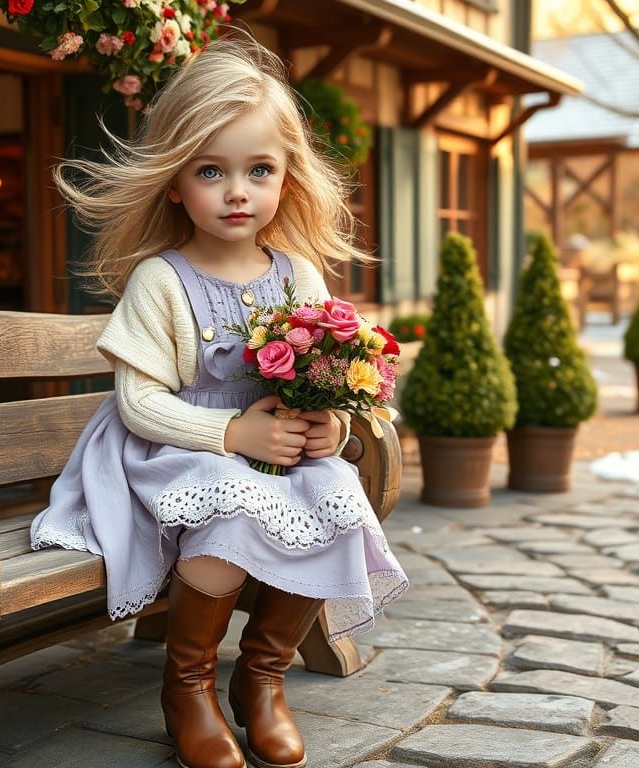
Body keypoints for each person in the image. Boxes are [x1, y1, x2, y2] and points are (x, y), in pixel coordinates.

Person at [30, 34, 408, 768]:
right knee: (230, 503)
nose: (238, 190)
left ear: (286, 179)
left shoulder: (297, 273)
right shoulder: (162, 281)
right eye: (212, 171)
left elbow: (321, 374)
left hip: (268, 448)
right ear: (175, 183)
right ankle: (189, 685)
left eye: (258, 169)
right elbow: (138, 402)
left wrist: (328, 423)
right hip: (175, 450)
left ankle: (261, 678)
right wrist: (231, 435)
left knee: (334, 493)